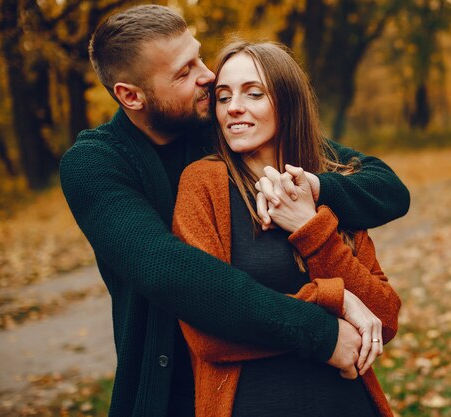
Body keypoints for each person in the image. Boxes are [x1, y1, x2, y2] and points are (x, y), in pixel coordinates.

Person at [59, 5, 409, 417]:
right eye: (184, 71)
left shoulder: (226, 126)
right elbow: (170, 271)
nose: (208, 77)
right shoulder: (96, 163)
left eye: (199, 57)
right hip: (174, 389)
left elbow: (384, 185)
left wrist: (312, 188)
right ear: (131, 96)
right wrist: (325, 323)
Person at [172, 40, 402, 417]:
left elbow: (383, 318)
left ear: (288, 102)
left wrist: (310, 228)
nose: (234, 108)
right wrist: (330, 300)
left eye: (254, 93)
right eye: (223, 96)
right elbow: (207, 333)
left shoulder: (328, 185)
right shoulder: (203, 184)